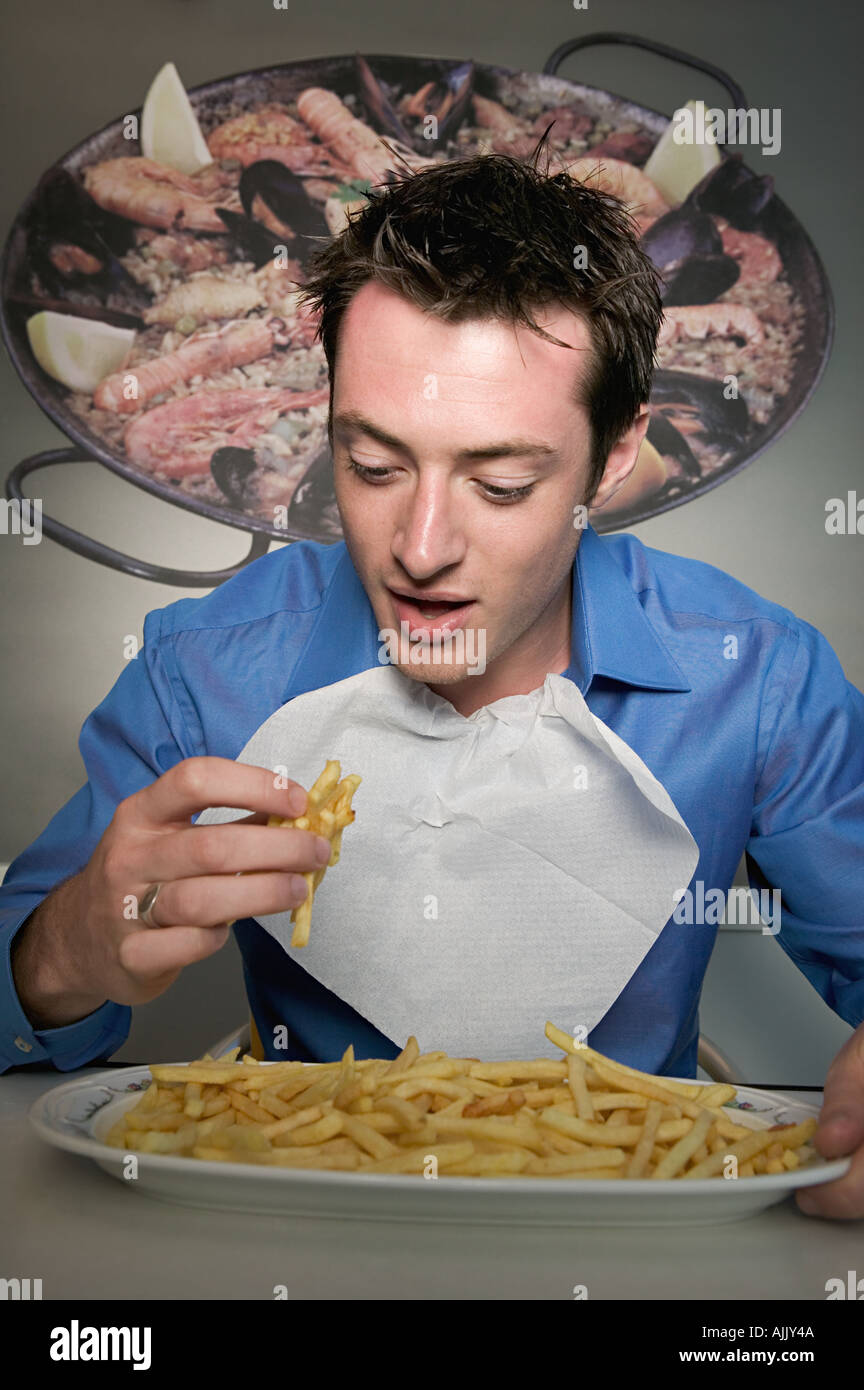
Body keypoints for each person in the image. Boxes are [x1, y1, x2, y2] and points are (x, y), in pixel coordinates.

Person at [2, 146, 862, 1218]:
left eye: (500, 483)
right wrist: (67, 948)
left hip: (635, 1236)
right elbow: (22, 988)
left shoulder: (758, 677)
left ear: (613, 456)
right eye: (372, 466)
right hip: (293, 1225)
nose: (419, 548)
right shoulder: (200, 670)